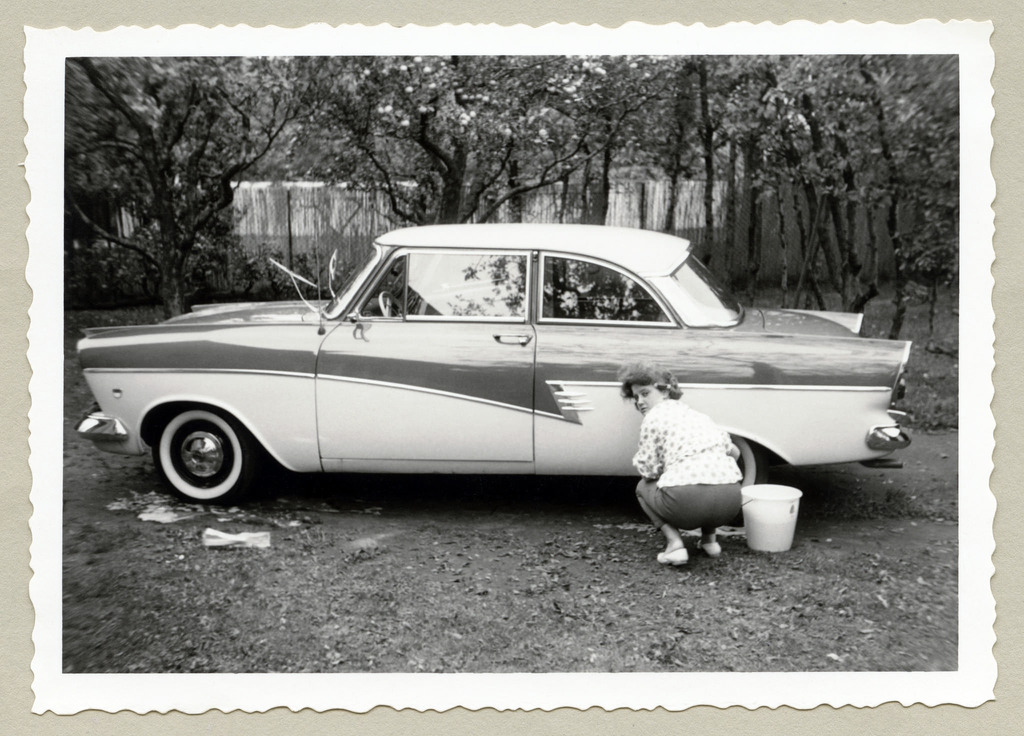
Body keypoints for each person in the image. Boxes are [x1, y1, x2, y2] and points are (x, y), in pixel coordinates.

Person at [618, 362, 743, 566]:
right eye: (636, 397)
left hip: (687, 504)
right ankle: (710, 541)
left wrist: (668, 472)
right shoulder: (699, 416)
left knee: (642, 488)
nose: (640, 402)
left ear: (665, 391)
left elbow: (648, 471)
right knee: (708, 476)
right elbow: (735, 452)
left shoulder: (653, 418)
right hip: (730, 502)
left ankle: (675, 545)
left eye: (645, 393)